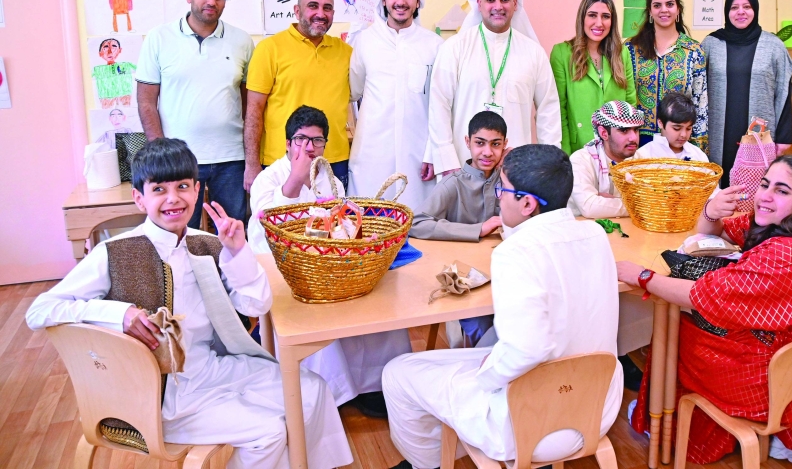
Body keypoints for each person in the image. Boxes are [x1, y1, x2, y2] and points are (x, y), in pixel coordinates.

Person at [26, 138, 352, 469]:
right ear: (139, 198)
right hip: (161, 397)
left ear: (197, 191)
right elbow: (39, 310)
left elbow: (255, 306)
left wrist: (238, 252)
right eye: (159, 189)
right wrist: (118, 314)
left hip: (212, 370)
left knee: (312, 390)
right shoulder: (114, 251)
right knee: (268, 431)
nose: (173, 198)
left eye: (182, 186)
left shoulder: (209, 244)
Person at [383, 144, 624, 469]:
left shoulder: (515, 252)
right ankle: (446, 450)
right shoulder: (595, 233)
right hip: (596, 411)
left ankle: (428, 464)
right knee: (470, 353)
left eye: (502, 189)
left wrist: (486, 374)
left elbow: (528, 350)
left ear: (527, 203)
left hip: (529, 425)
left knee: (398, 372)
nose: (498, 198)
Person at [616, 155, 792, 465]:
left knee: (677, 328)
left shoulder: (784, 256)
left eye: (782, 190)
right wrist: (710, 212)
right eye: (765, 185)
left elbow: (697, 295)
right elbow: (711, 235)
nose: (765, 196)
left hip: (763, 383)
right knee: (701, 316)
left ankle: (661, 423)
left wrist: (642, 276)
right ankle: (789, 435)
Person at [248, 106, 412, 417]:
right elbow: (269, 228)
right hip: (283, 269)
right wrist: (296, 179)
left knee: (376, 304)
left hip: (329, 265)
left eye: (317, 141)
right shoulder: (267, 179)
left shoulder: (330, 178)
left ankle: (374, 383)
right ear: (287, 143)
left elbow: (341, 225)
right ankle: (332, 392)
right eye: (301, 139)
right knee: (321, 317)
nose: (309, 148)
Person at [137, 0, 254, 229]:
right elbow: (146, 102)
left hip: (231, 159)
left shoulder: (242, 41)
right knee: (178, 233)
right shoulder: (159, 38)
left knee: (231, 231)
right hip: (179, 159)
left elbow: (250, 105)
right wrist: (162, 154)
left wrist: (251, 157)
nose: (212, 0)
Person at [428, 0, 560, 176]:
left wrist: (548, 165)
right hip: (462, 165)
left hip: (515, 169)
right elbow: (439, 105)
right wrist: (446, 161)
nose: (498, 6)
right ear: (479, 3)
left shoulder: (534, 52)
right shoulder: (455, 47)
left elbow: (548, 110)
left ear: (515, 4)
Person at [245, 0, 352, 193]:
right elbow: (253, 110)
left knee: (333, 216)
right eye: (313, 6)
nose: (320, 13)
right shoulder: (269, 49)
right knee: (285, 215)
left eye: (327, 8)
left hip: (333, 161)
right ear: (297, 10)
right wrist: (251, 164)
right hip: (283, 161)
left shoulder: (346, 52)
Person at [349, 0, 442, 208]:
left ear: (418, 1)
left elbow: (440, 104)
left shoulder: (434, 45)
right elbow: (354, 91)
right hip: (371, 152)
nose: (401, 1)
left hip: (418, 153)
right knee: (369, 219)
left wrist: (433, 152)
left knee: (417, 219)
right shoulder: (364, 41)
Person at [703, 0, 792, 187]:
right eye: (734, 7)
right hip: (719, 130)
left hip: (758, 131)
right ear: (727, 12)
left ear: (755, 10)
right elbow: (698, 88)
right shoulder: (711, 43)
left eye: (747, 7)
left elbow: (784, 92)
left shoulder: (773, 46)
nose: (741, 12)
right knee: (718, 184)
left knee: (753, 186)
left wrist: (784, 136)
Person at [550, 0, 637, 154]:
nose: (599, 23)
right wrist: (565, 155)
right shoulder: (562, 53)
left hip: (615, 149)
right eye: (592, 15)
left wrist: (627, 143)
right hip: (579, 149)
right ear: (582, 18)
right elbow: (558, 110)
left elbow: (630, 103)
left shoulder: (622, 53)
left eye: (605, 16)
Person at [625, 0, 707, 150]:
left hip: (679, 142)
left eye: (669, 4)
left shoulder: (693, 51)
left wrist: (698, 148)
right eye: (657, 5)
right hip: (638, 141)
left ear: (678, 9)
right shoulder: (631, 49)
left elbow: (700, 103)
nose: (664, 10)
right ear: (650, 11)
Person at [410, 110, 505, 242]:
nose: (488, 152)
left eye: (495, 144)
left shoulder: (509, 181)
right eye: (480, 143)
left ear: (504, 144)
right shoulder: (452, 184)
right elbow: (416, 224)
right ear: (468, 142)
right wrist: (478, 229)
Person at [568, 100, 643, 219]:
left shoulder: (639, 160)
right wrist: (636, 205)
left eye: (636, 130)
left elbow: (654, 198)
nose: (633, 138)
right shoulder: (580, 160)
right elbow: (589, 207)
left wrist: (607, 204)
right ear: (603, 133)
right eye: (624, 130)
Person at [634, 92, 709, 163]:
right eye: (677, 128)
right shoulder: (643, 156)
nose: (683, 135)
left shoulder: (699, 156)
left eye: (688, 129)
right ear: (660, 123)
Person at [92, 37, 137, 108]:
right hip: (106, 98)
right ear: (100, 53)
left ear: (120, 50)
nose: (110, 52)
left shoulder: (127, 65)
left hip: (125, 97)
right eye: (105, 47)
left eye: (114, 46)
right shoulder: (97, 70)